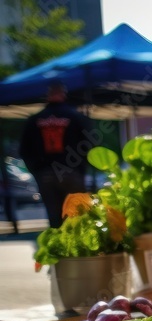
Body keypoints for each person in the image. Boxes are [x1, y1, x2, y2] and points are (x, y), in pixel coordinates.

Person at [18, 82, 88, 228]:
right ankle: (77, 248)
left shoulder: (34, 120)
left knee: (54, 217)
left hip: (47, 174)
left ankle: (58, 247)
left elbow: (24, 150)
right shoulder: (75, 117)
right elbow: (89, 143)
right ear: (64, 94)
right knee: (77, 217)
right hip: (71, 172)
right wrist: (80, 168)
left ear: (48, 96)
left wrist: (37, 170)